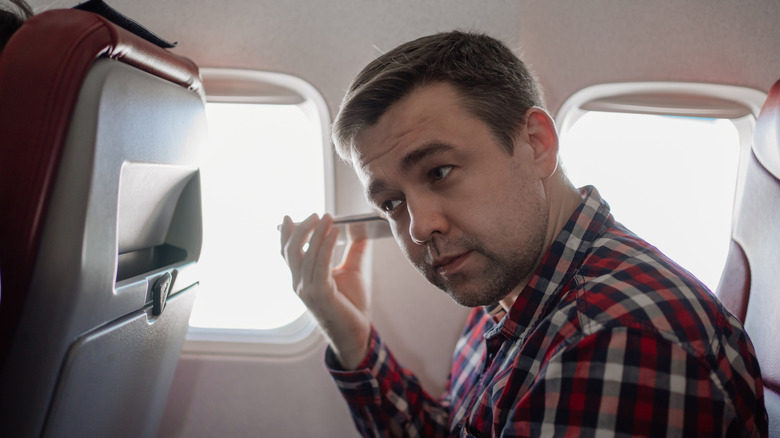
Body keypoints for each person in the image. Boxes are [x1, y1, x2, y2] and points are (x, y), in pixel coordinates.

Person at [280, 31, 768, 437]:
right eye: (391, 202)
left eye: (440, 171)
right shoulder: (509, 285)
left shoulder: (611, 339)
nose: (419, 225)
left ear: (536, 144)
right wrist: (348, 330)